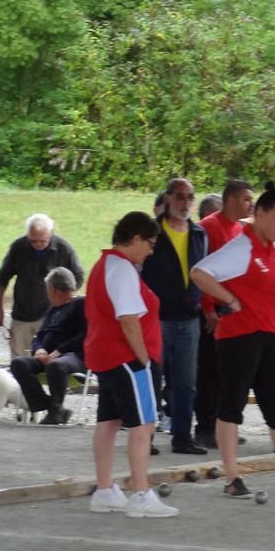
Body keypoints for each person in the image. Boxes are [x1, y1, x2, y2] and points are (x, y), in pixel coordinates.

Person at [190, 182, 275, 499]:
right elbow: (200, 272)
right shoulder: (242, 247)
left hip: (268, 336)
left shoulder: (273, 250)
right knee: (231, 406)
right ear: (260, 214)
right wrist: (228, 299)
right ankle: (232, 477)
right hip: (239, 337)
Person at [84, 211, 177, 517]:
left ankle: (105, 489)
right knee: (143, 425)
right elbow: (128, 320)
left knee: (109, 422)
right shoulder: (122, 269)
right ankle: (140, 494)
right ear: (135, 238)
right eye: (149, 243)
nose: (151, 251)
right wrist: (143, 360)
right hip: (126, 357)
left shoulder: (105, 265)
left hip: (106, 355)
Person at [140, 177, 209, 455]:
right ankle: (145, 437)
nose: (185, 202)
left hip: (189, 318)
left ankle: (182, 436)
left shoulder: (198, 233)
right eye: (179, 196)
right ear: (167, 198)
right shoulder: (152, 232)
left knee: (185, 383)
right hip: (158, 317)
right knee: (152, 379)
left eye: (189, 197)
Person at [194, 179, 254, 448]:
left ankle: (223, 425)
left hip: (231, 309)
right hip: (212, 309)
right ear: (231, 199)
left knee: (227, 370)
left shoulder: (240, 229)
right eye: (245, 199)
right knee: (209, 371)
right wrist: (208, 308)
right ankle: (205, 426)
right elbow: (201, 270)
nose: (250, 205)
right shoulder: (209, 227)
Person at [0, 214, 84, 360]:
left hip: (51, 314)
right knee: (19, 360)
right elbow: (3, 277)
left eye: (43, 241)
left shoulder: (64, 249)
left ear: (51, 234)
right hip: (22, 313)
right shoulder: (18, 247)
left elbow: (78, 277)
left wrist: (64, 303)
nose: (38, 244)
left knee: (48, 359)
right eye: (33, 241)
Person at [9, 267, 87, 425]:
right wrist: (39, 349)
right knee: (18, 363)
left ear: (54, 290)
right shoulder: (52, 310)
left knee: (56, 365)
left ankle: (54, 412)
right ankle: (52, 407)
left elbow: (85, 335)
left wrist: (59, 351)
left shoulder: (80, 304)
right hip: (47, 355)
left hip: (73, 356)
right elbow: (40, 335)